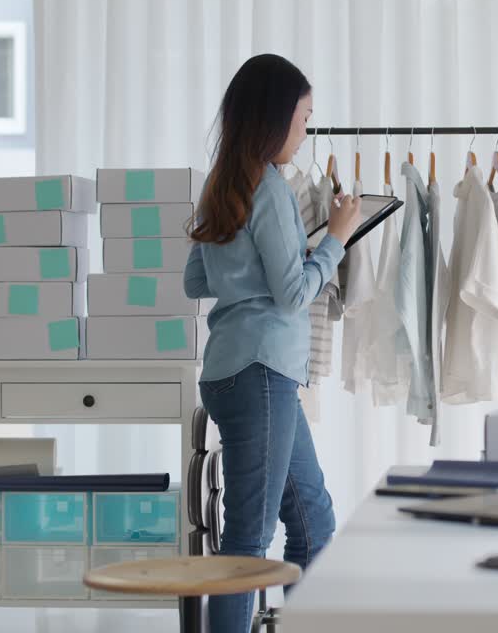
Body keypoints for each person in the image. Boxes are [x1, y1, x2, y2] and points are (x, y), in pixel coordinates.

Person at [184, 53, 361, 631]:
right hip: (263, 372)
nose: (305, 133)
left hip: (234, 371)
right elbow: (293, 295)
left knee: (312, 520)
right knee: (249, 540)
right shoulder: (271, 189)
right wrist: (335, 239)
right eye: (304, 119)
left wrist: (269, 261)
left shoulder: (221, 184)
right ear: (275, 117)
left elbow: (196, 280)